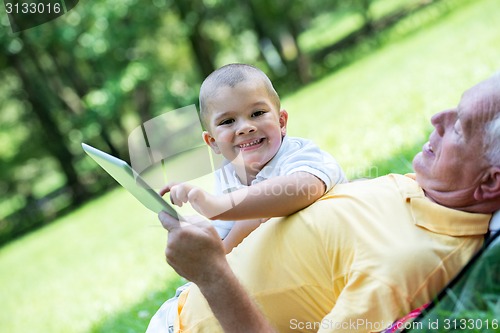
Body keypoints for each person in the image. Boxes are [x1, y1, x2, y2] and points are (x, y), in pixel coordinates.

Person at [148, 73, 500, 333]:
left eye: (460, 126)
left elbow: (303, 186)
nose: (437, 118)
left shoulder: (405, 262)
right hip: (176, 311)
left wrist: (211, 274)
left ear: (490, 182)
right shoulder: (423, 189)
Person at [160, 64, 346, 252]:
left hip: (342, 245)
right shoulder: (228, 174)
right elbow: (227, 229)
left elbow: (304, 188)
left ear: (281, 122)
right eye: (227, 121)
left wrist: (218, 208)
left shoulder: (297, 153)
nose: (245, 127)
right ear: (213, 142)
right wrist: (204, 240)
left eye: (257, 113)